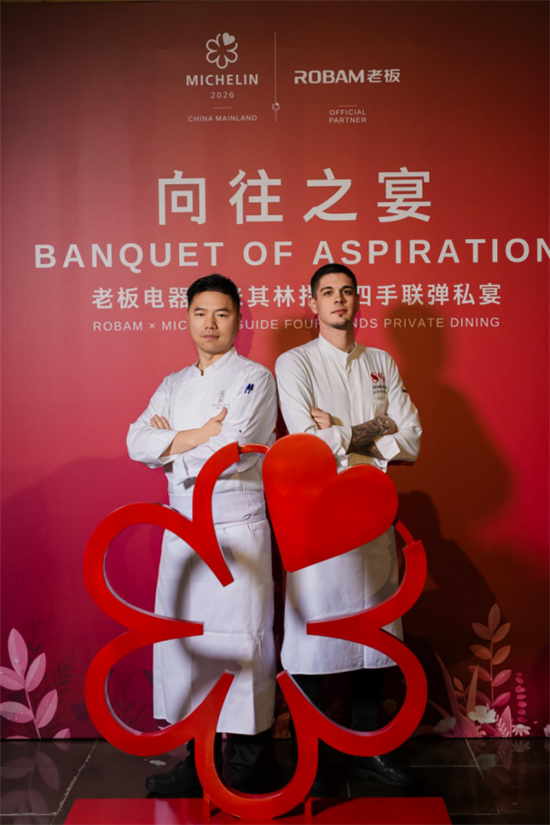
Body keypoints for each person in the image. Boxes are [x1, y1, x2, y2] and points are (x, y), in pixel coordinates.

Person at [127, 274, 277, 795]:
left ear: (238, 319)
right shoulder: (173, 383)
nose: (210, 324)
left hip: (237, 532)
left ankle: (251, 764)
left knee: (243, 643)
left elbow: (231, 452)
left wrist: (171, 445)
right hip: (183, 532)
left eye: (221, 313)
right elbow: (136, 440)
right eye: (200, 313)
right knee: (185, 643)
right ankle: (198, 762)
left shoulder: (256, 379)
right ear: (187, 318)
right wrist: (198, 434)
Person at [275, 263, 422, 793]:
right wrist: (376, 432)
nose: (338, 300)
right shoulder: (294, 363)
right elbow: (306, 442)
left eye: (346, 292)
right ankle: (314, 757)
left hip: (374, 514)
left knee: (374, 634)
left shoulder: (381, 362)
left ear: (358, 301)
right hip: (318, 517)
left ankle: (370, 750)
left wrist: (341, 431)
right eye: (327, 292)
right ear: (312, 303)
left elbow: (412, 438)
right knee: (315, 639)